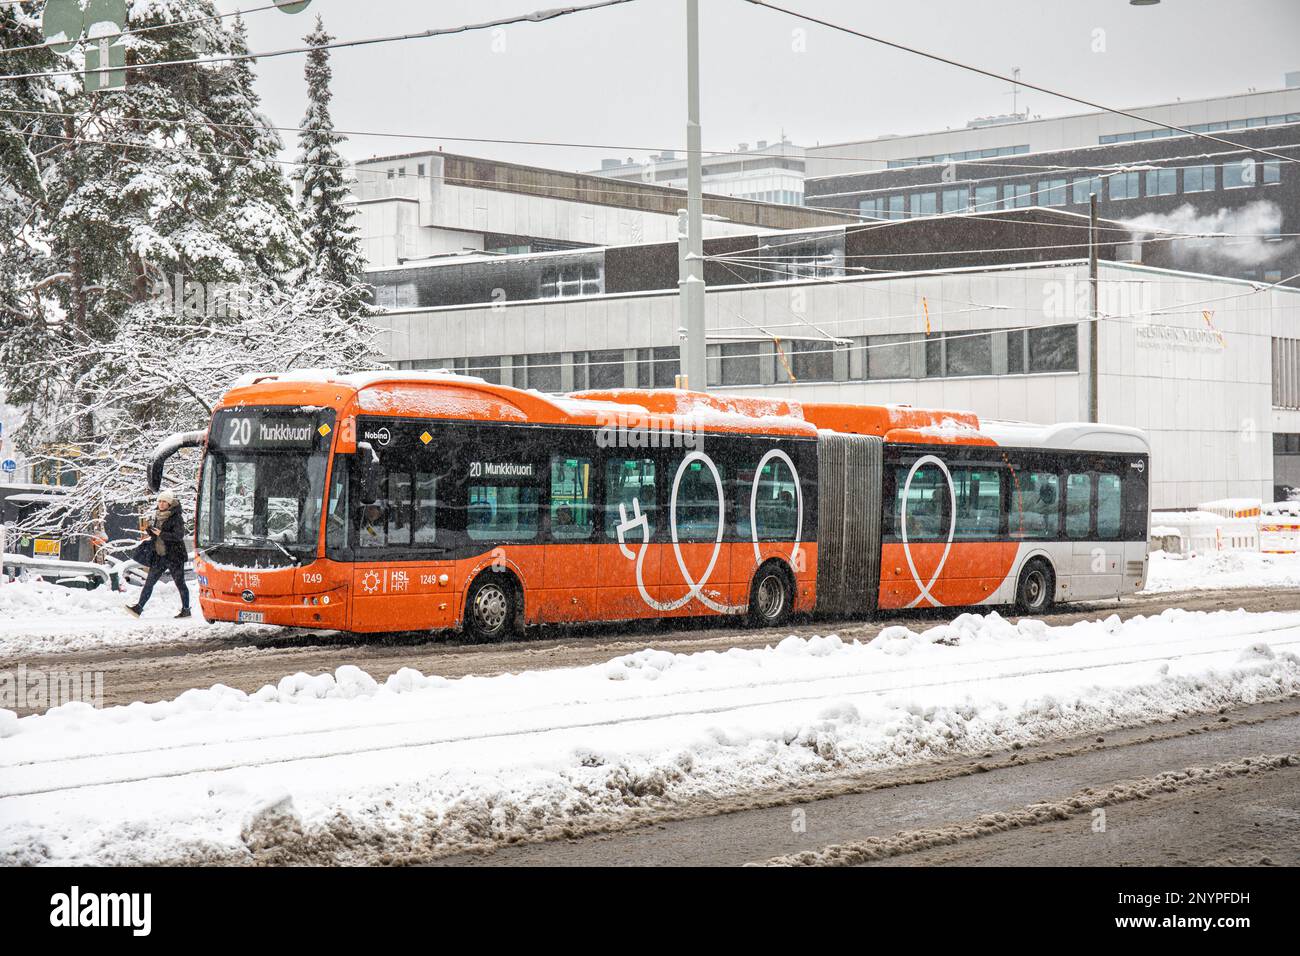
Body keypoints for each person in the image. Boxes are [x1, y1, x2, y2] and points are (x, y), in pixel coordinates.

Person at [125, 491, 191, 618]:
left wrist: (161, 533)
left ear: (169, 503)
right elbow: (158, 537)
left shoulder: (176, 517)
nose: (161, 504)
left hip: (174, 556)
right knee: (149, 582)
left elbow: (178, 536)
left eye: (164, 502)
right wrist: (151, 532)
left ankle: (186, 609)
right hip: (159, 556)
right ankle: (138, 608)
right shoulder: (158, 515)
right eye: (159, 501)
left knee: (180, 583)